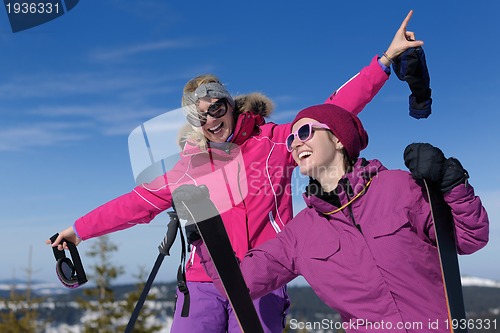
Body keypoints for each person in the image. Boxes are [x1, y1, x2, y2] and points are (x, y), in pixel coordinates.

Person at [48, 10, 424, 333]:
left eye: (216, 108)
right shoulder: (187, 168)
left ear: (230, 104)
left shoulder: (276, 141)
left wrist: (384, 61)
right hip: (203, 281)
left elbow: (331, 111)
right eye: (200, 115)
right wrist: (78, 230)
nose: (211, 119)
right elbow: (135, 204)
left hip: (264, 275)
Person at [193, 103, 489, 333]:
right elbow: (240, 285)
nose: (295, 144)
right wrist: (206, 236)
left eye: (305, 132)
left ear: (337, 139)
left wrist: (450, 184)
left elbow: (469, 237)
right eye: (291, 140)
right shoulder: (300, 234)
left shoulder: (397, 187)